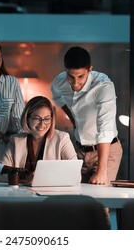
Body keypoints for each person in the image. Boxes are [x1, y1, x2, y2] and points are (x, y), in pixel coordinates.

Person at [51, 46, 122, 185]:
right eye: (71, 77)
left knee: (100, 201)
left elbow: (105, 130)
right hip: (80, 150)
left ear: (90, 69)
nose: (75, 83)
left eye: (80, 76)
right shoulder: (59, 82)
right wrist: (73, 120)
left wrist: (101, 171)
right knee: (77, 199)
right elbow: (58, 98)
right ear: (65, 70)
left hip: (106, 151)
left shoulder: (103, 87)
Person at [0, 96, 77, 184]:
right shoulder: (16, 140)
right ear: (27, 118)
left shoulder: (62, 138)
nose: (42, 124)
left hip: (51, 195)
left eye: (47, 119)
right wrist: (25, 180)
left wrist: (43, 178)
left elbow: (76, 175)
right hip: (21, 195)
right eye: (37, 118)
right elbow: (2, 173)